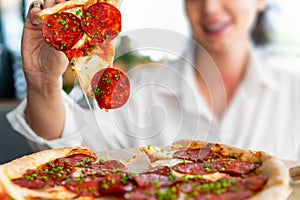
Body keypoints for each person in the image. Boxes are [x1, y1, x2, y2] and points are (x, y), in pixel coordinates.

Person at [7, 0, 300, 162]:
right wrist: (43, 82)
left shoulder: (294, 93)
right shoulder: (142, 89)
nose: (210, 7)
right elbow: (70, 151)